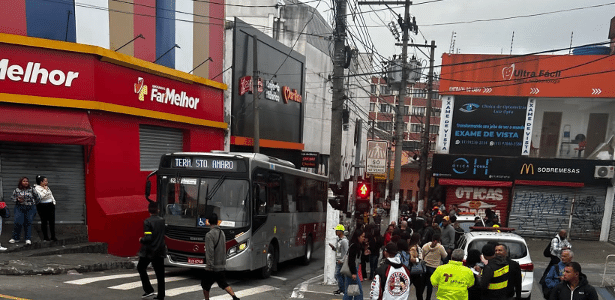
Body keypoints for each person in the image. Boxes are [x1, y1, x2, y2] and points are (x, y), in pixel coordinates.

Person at [201, 213, 240, 300]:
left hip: (212, 266)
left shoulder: (209, 235)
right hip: (221, 266)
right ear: (217, 222)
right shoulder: (222, 233)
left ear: (208, 222)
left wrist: (209, 266)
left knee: (205, 285)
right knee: (224, 284)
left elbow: (210, 251)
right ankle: (234, 297)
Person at [137, 201, 167, 300]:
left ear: (148, 210)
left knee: (141, 267)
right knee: (160, 274)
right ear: (158, 210)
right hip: (160, 250)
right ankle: (161, 295)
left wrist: (142, 239)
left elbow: (148, 237)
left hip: (149, 251)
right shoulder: (162, 221)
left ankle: (148, 289)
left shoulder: (147, 222)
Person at [9, 177, 40, 245]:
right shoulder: (17, 190)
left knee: (28, 222)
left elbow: (38, 197)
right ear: (21, 182)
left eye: (27, 181)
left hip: (30, 208)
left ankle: (27, 238)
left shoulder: (32, 189)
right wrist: (17, 199)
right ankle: (15, 238)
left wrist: (33, 203)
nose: (26, 182)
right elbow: (12, 198)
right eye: (24, 181)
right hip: (19, 207)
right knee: (18, 222)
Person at [422, 233, 447, 300]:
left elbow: (422, 255)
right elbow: (445, 256)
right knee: (430, 286)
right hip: (434, 268)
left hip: (425, 266)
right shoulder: (440, 247)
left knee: (423, 284)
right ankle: (428, 298)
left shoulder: (426, 245)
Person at [344, 228, 367, 300]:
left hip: (353, 270)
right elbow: (351, 260)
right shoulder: (354, 246)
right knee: (358, 291)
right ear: (358, 237)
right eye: (362, 236)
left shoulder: (357, 245)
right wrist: (353, 273)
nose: (363, 238)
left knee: (350, 291)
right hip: (352, 270)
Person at [34, 175, 57, 241]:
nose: (47, 182)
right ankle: (45, 237)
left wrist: (53, 202)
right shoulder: (36, 188)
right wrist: (45, 190)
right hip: (42, 206)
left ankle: (53, 236)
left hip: (50, 205)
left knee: (52, 221)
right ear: (41, 182)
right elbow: (40, 196)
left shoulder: (47, 187)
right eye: (45, 181)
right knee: (44, 221)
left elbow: (50, 194)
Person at [330, 224, 349, 294]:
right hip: (338, 260)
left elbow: (347, 251)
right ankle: (342, 289)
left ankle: (342, 289)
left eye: (337, 230)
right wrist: (334, 248)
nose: (335, 232)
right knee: (341, 276)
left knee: (337, 275)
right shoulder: (338, 240)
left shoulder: (344, 241)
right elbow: (339, 250)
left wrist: (342, 260)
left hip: (341, 261)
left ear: (340, 231)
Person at [408, 233, 425, 300]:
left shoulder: (412, 246)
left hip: (412, 270)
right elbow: (411, 258)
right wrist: (418, 259)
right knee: (419, 290)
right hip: (415, 270)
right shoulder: (413, 248)